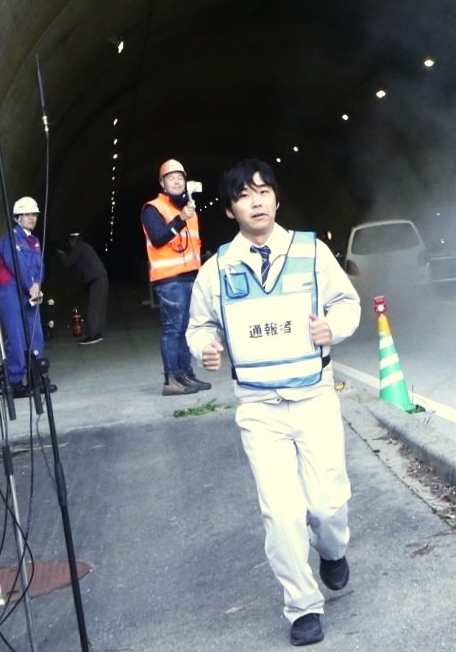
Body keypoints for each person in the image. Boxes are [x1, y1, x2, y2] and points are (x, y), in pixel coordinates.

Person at [189, 159, 361, 647]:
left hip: (313, 397)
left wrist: (335, 327)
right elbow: (200, 325)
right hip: (259, 408)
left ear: (277, 200)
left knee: (327, 506)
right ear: (230, 209)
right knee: (281, 512)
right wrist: (204, 348)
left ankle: (331, 551)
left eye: (264, 191)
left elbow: (347, 303)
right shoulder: (218, 268)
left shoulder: (311, 252)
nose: (257, 200)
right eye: (245, 195)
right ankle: (302, 606)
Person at [141, 158, 211, 396]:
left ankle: (185, 374)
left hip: (190, 276)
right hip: (169, 279)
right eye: (171, 178)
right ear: (162, 183)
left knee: (185, 328)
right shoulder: (153, 208)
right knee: (173, 329)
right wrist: (180, 218)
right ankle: (171, 379)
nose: (177, 181)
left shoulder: (189, 210)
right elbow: (159, 237)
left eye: (180, 177)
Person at [0, 196, 55, 397]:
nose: (31, 218)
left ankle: (36, 377)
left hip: (29, 291)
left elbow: (40, 266)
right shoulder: (10, 240)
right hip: (10, 291)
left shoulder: (34, 242)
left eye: (34, 214)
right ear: (18, 217)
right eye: (27, 214)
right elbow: (16, 265)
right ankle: (15, 382)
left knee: (35, 333)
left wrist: (37, 283)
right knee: (16, 336)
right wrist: (31, 286)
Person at [58, 231, 108, 344]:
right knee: (100, 308)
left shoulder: (78, 248)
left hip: (96, 280)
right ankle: (99, 333)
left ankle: (93, 335)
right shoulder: (85, 246)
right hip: (101, 278)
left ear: (72, 240)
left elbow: (68, 263)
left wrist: (62, 254)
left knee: (93, 308)